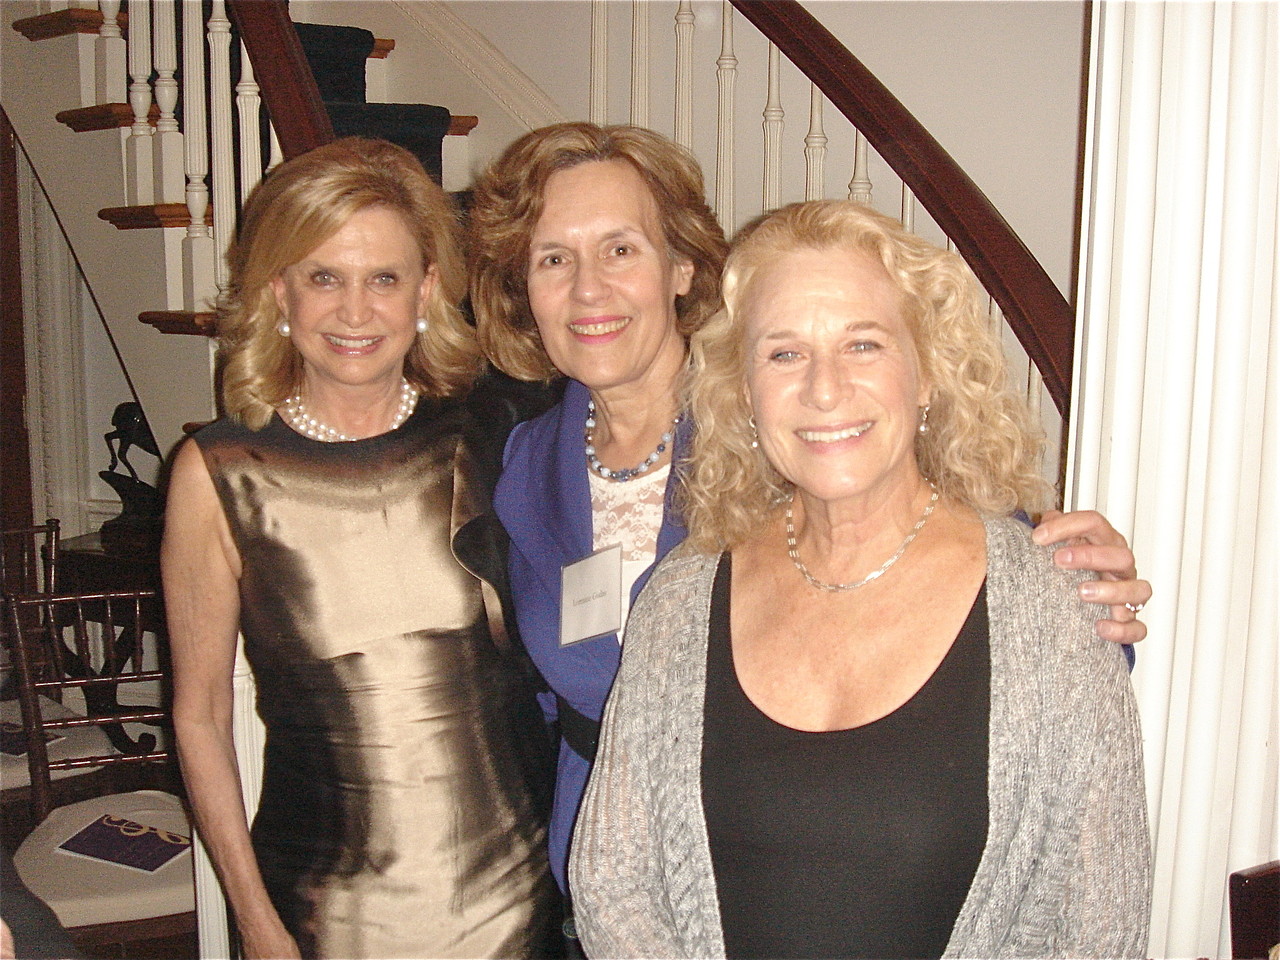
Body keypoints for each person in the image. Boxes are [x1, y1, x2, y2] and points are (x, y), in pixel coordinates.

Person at [466, 122, 1152, 908]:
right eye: (555, 258)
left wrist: (1078, 574)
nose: (589, 288)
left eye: (621, 249)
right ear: (526, 288)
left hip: (812, 865)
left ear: (682, 266)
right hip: (608, 888)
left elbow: (959, 553)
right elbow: (549, 694)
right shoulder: (524, 462)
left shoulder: (790, 417)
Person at [162, 138, 558, 959]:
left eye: (384, 278)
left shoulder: (494, 430)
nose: (354, 311)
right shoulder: (220, 474)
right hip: (320, 911)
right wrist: (254, 918)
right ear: (279, 293)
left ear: (427, 289)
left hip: (514, 901)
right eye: (323, 277)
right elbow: (199, 716)